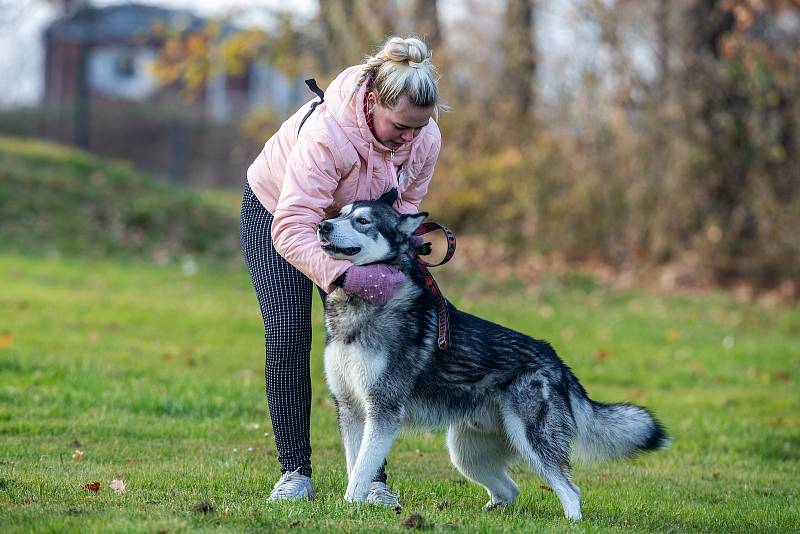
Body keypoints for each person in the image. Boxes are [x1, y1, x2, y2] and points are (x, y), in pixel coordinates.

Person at [239, 36, 446, 506]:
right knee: (289, 334)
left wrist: (402, 246)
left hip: (358, 230)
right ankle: (294, 474)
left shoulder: (424, 137)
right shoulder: (327, 136)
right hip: (279, 216)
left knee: (376, 341)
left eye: (420, 127)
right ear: (373, 102)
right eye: (401, 127)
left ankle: (370, 481)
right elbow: (292, 227)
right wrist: (342, 276)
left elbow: (405, 203)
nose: (410, 139)